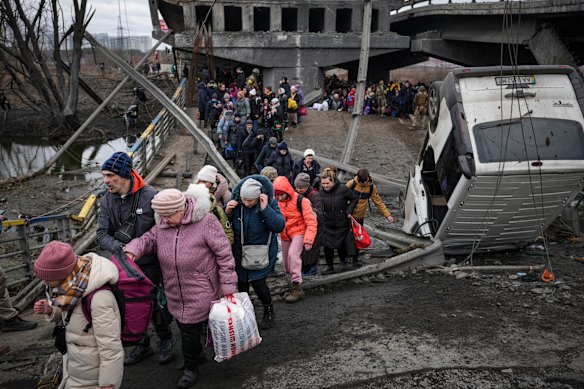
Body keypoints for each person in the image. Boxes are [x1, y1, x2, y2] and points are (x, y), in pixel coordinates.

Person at [124, 189, 237, 389]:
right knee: (186, 326)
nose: (165, 220)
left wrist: (228, 285)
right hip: (174, 288)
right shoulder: (163, 224)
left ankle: (191, 367)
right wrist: (134, 250)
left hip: (201, 287)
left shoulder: (206, 222)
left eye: (168, 215)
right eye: (162, 216)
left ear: (181, 208)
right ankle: (197, 355)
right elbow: (148, 239)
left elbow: (224, 254)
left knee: (189, 329)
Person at [96, 151, 174, 366]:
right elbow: (102, 233)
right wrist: (120, 248)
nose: (106, 180)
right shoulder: (106, 201)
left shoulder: (151, 196)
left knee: (156, 304)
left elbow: (163, 230)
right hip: (123, 265)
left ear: (124, 174)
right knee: (129, 306)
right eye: (104, 175)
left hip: (151, 263)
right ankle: (142, 344)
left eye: (110, 175)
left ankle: (166, 338)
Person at [33, 241, 123, 389]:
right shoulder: (72, 288)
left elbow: (111, 348)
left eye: (48, 278)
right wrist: (52, 310)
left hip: (91, 377)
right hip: (75, 367)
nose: (45, 282)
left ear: (61, 273)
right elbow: (74, 316)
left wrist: (108, 383)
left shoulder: (99, 299)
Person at [224, 176, 285, 329]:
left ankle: (268, 309)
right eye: (244, 199)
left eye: (250, 200)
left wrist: (266, 210)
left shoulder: (269, 203)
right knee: (242, 284)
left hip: (261, 252)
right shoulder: (238, 203)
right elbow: (227, 226)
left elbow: (279, 226)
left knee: (259, 284)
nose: (246, 203)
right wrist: (228, 212)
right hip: (239, 252)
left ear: (258, 197)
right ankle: (245, 314)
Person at [272, 176, 318, 303]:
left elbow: (311, 220)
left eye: (281, 195)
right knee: (286, 262)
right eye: (277, 195)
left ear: (287, 191)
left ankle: (297, 287)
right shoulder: (276, 201)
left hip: (299, 232)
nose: (279, 198)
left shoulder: (301, 200)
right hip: (285, 233)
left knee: (293, 255)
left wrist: (308, 240)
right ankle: (291, 284)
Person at [346, 168, 393, 267]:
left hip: (359, 217)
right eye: (361, 181)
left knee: (358, 238)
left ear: (368, 178)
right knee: (346, 236)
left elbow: (378, 201)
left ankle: (355, 259)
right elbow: (341, 195)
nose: (363, 183)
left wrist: (387, 215)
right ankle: (346, 257)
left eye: (364, 181)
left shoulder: (371, 187)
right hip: (347, 215)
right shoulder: (352, 183)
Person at [319, 167, 358, 275]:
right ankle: (329, 266)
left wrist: (349, 211)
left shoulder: (342, 189)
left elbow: (354, 198)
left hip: (341, 222)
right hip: (327, 223)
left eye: (327, 183)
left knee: (341, 244)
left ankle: (343, 262)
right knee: (327, 246)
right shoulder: (321, 192)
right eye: (323, 184)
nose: (325, 186)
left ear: (333, 181)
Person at [294, 173, 323, 277]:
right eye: (297, 188)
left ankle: (312, 272)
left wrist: (307, 207)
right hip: (301, 227)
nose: (299, 190)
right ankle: (304, 272)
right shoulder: (297, 194)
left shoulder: (315, 196)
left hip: (314, 229)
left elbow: (320, 215)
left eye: (301, 188)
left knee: (311, 252)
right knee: (302, 253)